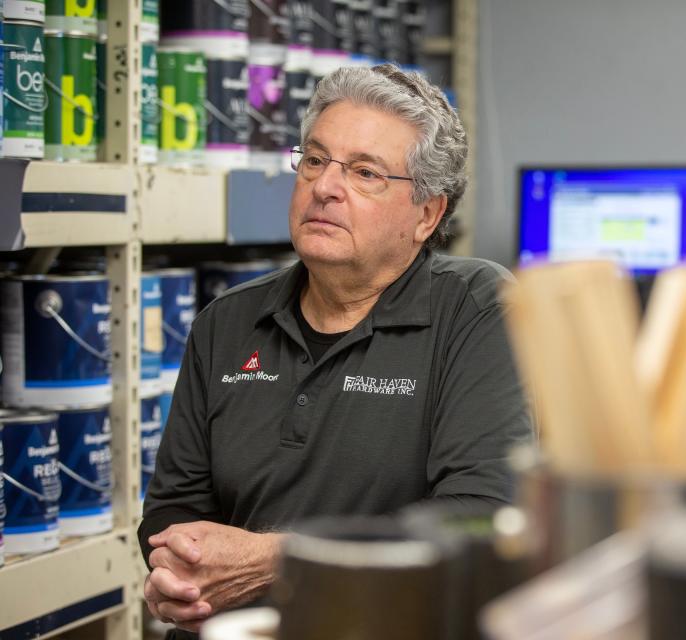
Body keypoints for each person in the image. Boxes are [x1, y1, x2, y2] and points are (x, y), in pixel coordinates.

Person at [139, 63, 534, 637]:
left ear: (427, 215)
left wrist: (272, 562)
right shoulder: (226, 322)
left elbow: (480, 518)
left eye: (365, 172)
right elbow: (172, 508)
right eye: (316, 160)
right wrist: (178, 573)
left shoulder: (476, 309)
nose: (324, 186)